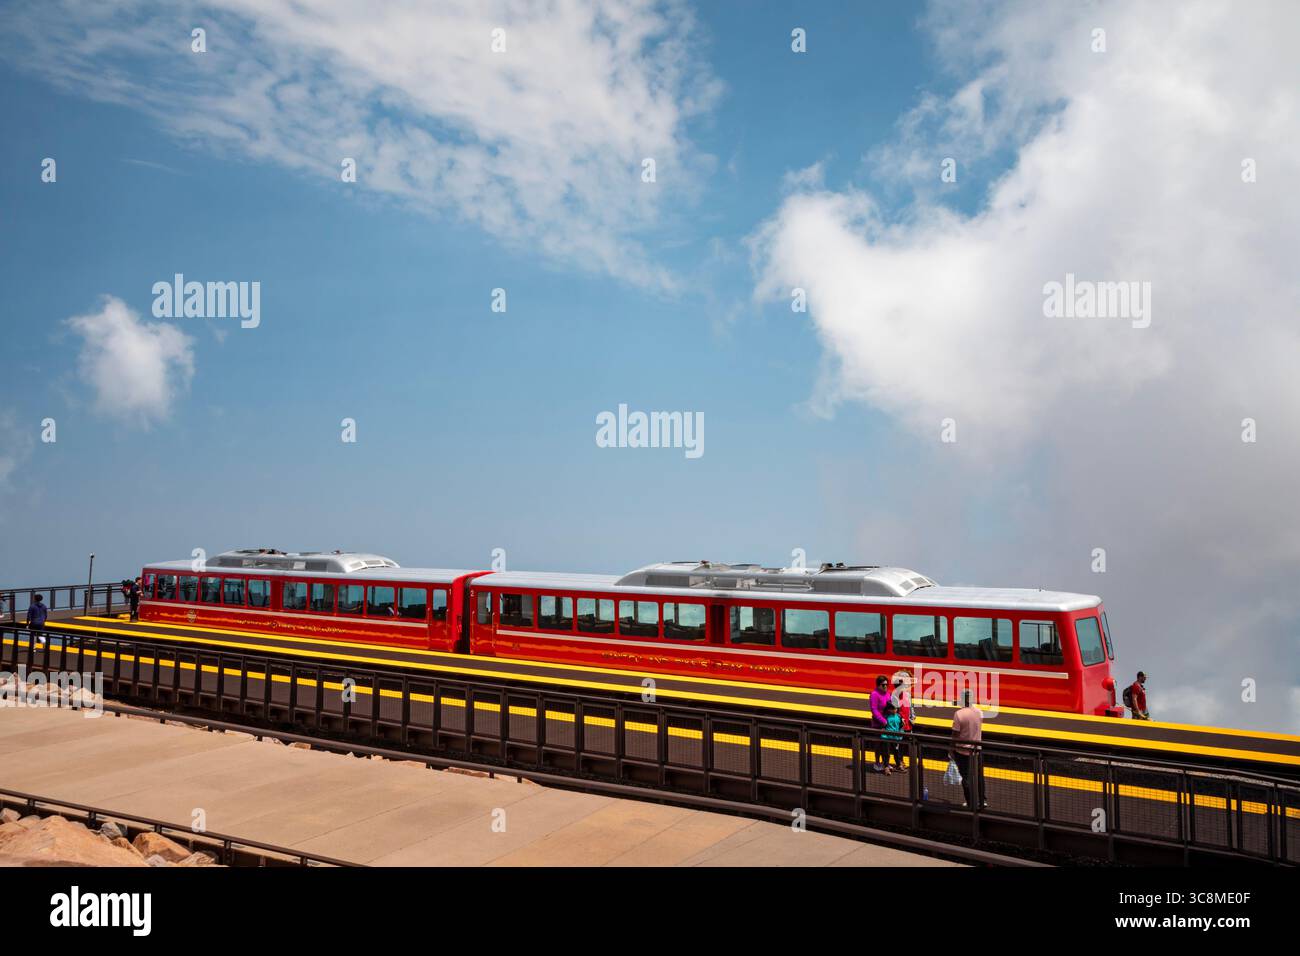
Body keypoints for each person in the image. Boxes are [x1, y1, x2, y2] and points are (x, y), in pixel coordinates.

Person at [950, 690, 984, 809]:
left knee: (966, 778)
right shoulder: (980, 712)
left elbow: (955, 734)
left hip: (962, 751)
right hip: (977, 749)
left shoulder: (959, 714)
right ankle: (982, 800)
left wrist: (951, 749)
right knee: (979, 775)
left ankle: (971, 803)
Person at [869, 675, 893, 772]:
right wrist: (883, 721)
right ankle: (877, 763)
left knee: (886, 744)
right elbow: (874, 710)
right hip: (878, 723)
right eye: (883, 685)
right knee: (878, 744)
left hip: (886, 722)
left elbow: (890, 705)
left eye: (887, 684)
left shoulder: (887, 693)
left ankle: (886, 763)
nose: (885, 686)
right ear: (878, 685)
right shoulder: (874, 694)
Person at [882, 702, 904, 773]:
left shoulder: (899, 716)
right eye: (894, 709)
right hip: (887, 737)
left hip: (896, 737)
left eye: (896, 708)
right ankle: (886, 766)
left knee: (897, 752)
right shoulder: (886, 717)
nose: (895, 710)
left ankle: (898, 764)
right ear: (889, 710)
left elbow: (900, 726)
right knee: (886, 752)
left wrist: (900, 735)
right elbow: (883, 726)